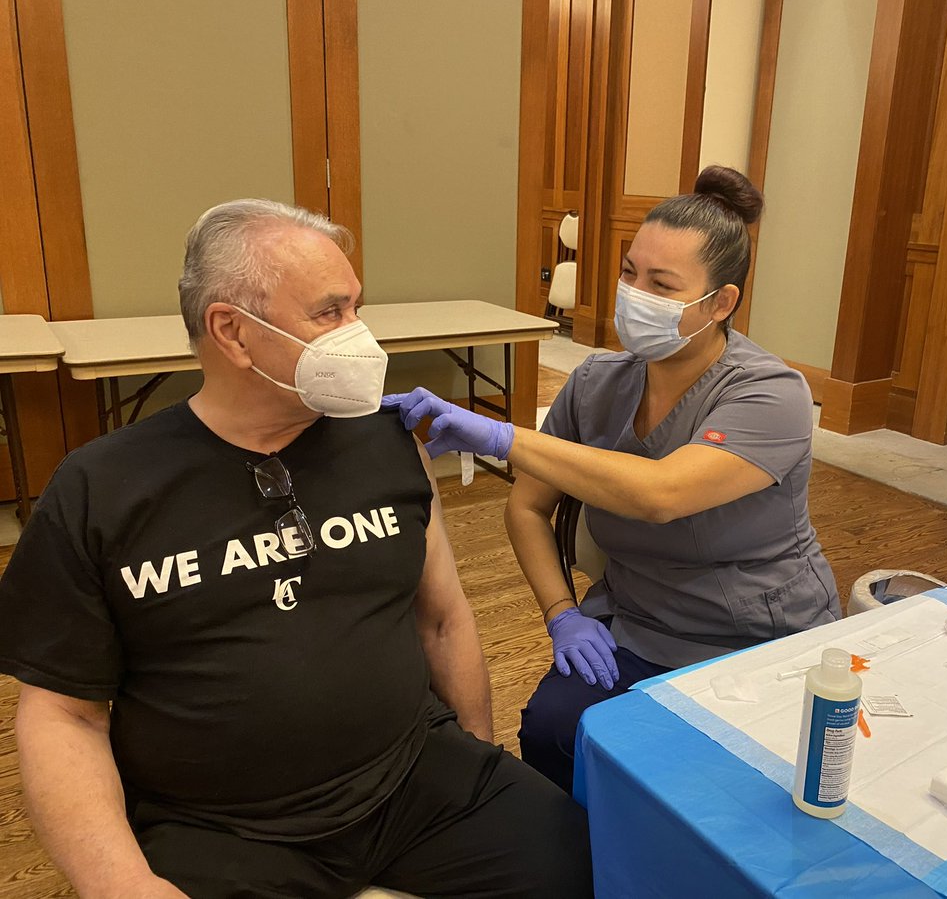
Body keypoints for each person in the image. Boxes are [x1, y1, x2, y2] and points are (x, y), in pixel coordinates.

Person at [0, 199, 592, 898]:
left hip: (413, 776)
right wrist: (119, 882)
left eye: (357, 308)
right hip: (222, 827)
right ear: (233, 332)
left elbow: (443, 618)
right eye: (330, 312)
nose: (360, 336)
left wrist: (476, 759)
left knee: (583, 864)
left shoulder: (387, 440)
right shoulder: (101, 488)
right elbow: (60, 713)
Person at [390, 166, 839, 792]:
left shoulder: (769, 392)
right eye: (630, 272)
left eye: (662, 284)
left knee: (706, 783)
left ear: (721, 303)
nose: (635, 294)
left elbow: (661, 494)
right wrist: (561, 615)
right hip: (634, 620)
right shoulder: (598, 382)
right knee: (551, 729)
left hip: (756, 635)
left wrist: (502, 435)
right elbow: (526, 510)